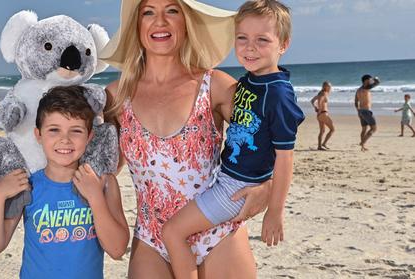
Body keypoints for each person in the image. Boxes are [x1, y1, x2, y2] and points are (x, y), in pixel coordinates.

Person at [100, 0, 273, 277]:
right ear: (137, 26)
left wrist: (269, 185)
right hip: (151, 238)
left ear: (186, 22)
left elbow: (269, 136)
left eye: (172, 10)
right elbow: (100, 167)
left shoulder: (214, 84)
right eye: (148, 12)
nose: (160, 21)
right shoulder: (115, 97)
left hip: (217, 232)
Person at [161, 1, 305, 278]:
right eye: (242, 38)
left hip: (237, 188)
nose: (250, 47)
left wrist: (274, 210)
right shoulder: (249, 81)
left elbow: (285, 157)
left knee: (173, 232)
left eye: (262, 40)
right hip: (224, 176)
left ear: (283, 44)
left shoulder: (278, 95)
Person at [0, 85, 129, 278]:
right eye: (54, 130)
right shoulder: (27, 186)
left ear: (89, 136)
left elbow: (117, 250)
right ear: (38, 135)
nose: (64, 139)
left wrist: (95, 197)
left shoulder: (104, 183)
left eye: (76, 131)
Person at [355, 74, 380, 151]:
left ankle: (363, 147)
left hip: (361, 111)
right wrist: (375, 78)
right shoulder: (366, 87)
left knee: (364, 129)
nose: (370, 81)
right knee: (374, 128)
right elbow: (377, 82)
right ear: (365, 81)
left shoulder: (358, 90)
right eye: (369, 79)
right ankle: (362, 142)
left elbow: (356, 102)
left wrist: (358, 111)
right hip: (366, 111)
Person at [311, 81, 335, 150]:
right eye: (329, 86)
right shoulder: (324, 93)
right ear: (325, 87)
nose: (330, 88)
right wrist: (319, 110)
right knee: (332, 129)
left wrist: (316, 108)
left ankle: (319, 146)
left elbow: (312, 101)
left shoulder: (320, 93)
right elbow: (320, 102)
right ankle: (324, 143)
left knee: (322, 131)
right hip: (323, 113)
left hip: (320, 115)